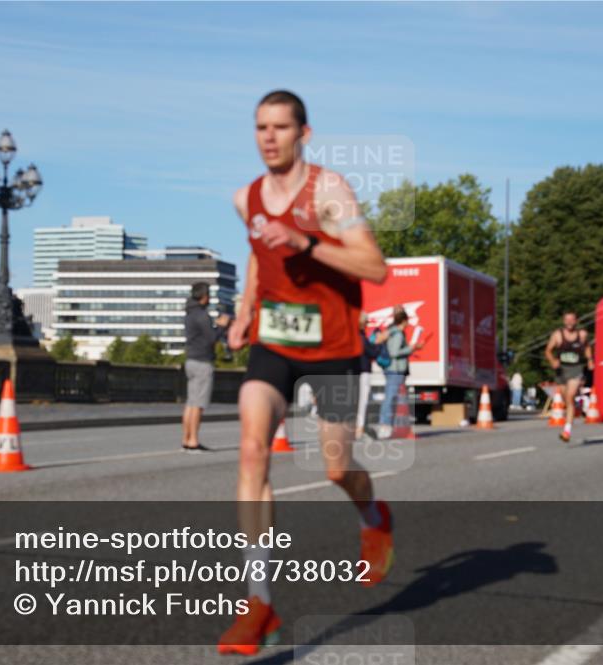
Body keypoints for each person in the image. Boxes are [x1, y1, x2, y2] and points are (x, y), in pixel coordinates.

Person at [219, 90, 392, 656]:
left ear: (304, 134)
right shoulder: (246, 198)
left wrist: (306, 242)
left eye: (280, 127)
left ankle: (373, 515)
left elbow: (375, 266)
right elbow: (255, 252)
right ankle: (259, 601)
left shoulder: (330, 191)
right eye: (260, 127)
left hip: (336, 345)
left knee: (337, 468)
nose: (269, 137)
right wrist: (246, 310)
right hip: (276, 341)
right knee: (251, 449)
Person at [182, 282, 230, 452]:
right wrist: (222, 326)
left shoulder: (190, 313)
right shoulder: (202, 315)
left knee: (190, 402)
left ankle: (186, 439)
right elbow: (211, 338)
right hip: (202, 361)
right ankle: (194, 441)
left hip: (190, 360)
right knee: (198, 404)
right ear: (204, 296)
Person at [377, 305, 425, 439]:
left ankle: (388, 425)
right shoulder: (397, 334)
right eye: (407, 321)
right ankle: (385, 425)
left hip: (392, 369)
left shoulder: (392, 331)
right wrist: (411, 348)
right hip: (395, 369)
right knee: (391, 397)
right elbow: (394, 352)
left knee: (391, 397)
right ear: (403, 321)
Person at [544, 311, 593, 443]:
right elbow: (548, 350)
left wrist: (589, 360)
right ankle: (575, 406)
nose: (570, 322)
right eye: (567, 320)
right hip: (561, 370)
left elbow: (587, 347)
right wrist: (552, 360)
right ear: (564, 321)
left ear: (576, 321)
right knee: (567, 399)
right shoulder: (558, 335)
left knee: (570, 396)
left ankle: (567, 430)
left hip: (575, 369)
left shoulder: (582, 335)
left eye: (572, 320)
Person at [356, 311, 389, 439]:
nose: (367, 325)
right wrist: (380, 342)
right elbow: (372, 352)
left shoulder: (357, 335)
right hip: (362, 371)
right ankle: (360, 428)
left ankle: (361, 426)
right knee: (362, 401)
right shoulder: (360, 336)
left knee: (361, 401)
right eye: (366, 322)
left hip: (358, 371)